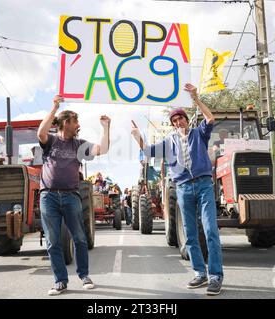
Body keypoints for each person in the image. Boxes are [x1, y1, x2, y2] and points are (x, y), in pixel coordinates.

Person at [131, 83, 224, 296]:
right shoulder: (169, 141)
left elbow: (210, 119)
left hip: (203, 185)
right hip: (182, 188)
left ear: (186, 119)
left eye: (180, 118)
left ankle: (216, 276)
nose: (177, 122)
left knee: (210, 230)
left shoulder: (199, 134)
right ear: (172, 125)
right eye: (174, 121)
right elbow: (147, 150)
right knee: (190, 234)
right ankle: (200, 273)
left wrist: (196, 99)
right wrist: (137, 135)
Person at [37, 94, 111, 296]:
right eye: (75, 121)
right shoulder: (51, 141)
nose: (78, 124)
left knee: (79, 238)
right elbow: (40, 132)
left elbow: (102, 149)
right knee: (53, 241)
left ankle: (84, 275)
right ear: (65, 123)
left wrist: (105, 127)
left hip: (71, 196)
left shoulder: (79, 145)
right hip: (48, 197)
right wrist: (54, 108)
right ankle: (60, 281)